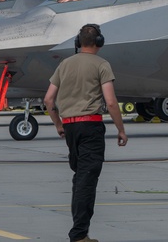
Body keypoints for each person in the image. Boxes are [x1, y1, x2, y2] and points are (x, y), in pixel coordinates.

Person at [44, 24, 128, 242]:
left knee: (79, 178)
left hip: (70, 127)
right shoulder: (102, 64)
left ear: (77, 42)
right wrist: (121, 129)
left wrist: (58, 125)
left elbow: (48, 99)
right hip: (90, 126)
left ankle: (80, 232)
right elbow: (110, 101)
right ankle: (79, 235)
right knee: (86, 182)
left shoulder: (64, 64)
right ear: (99, 42)